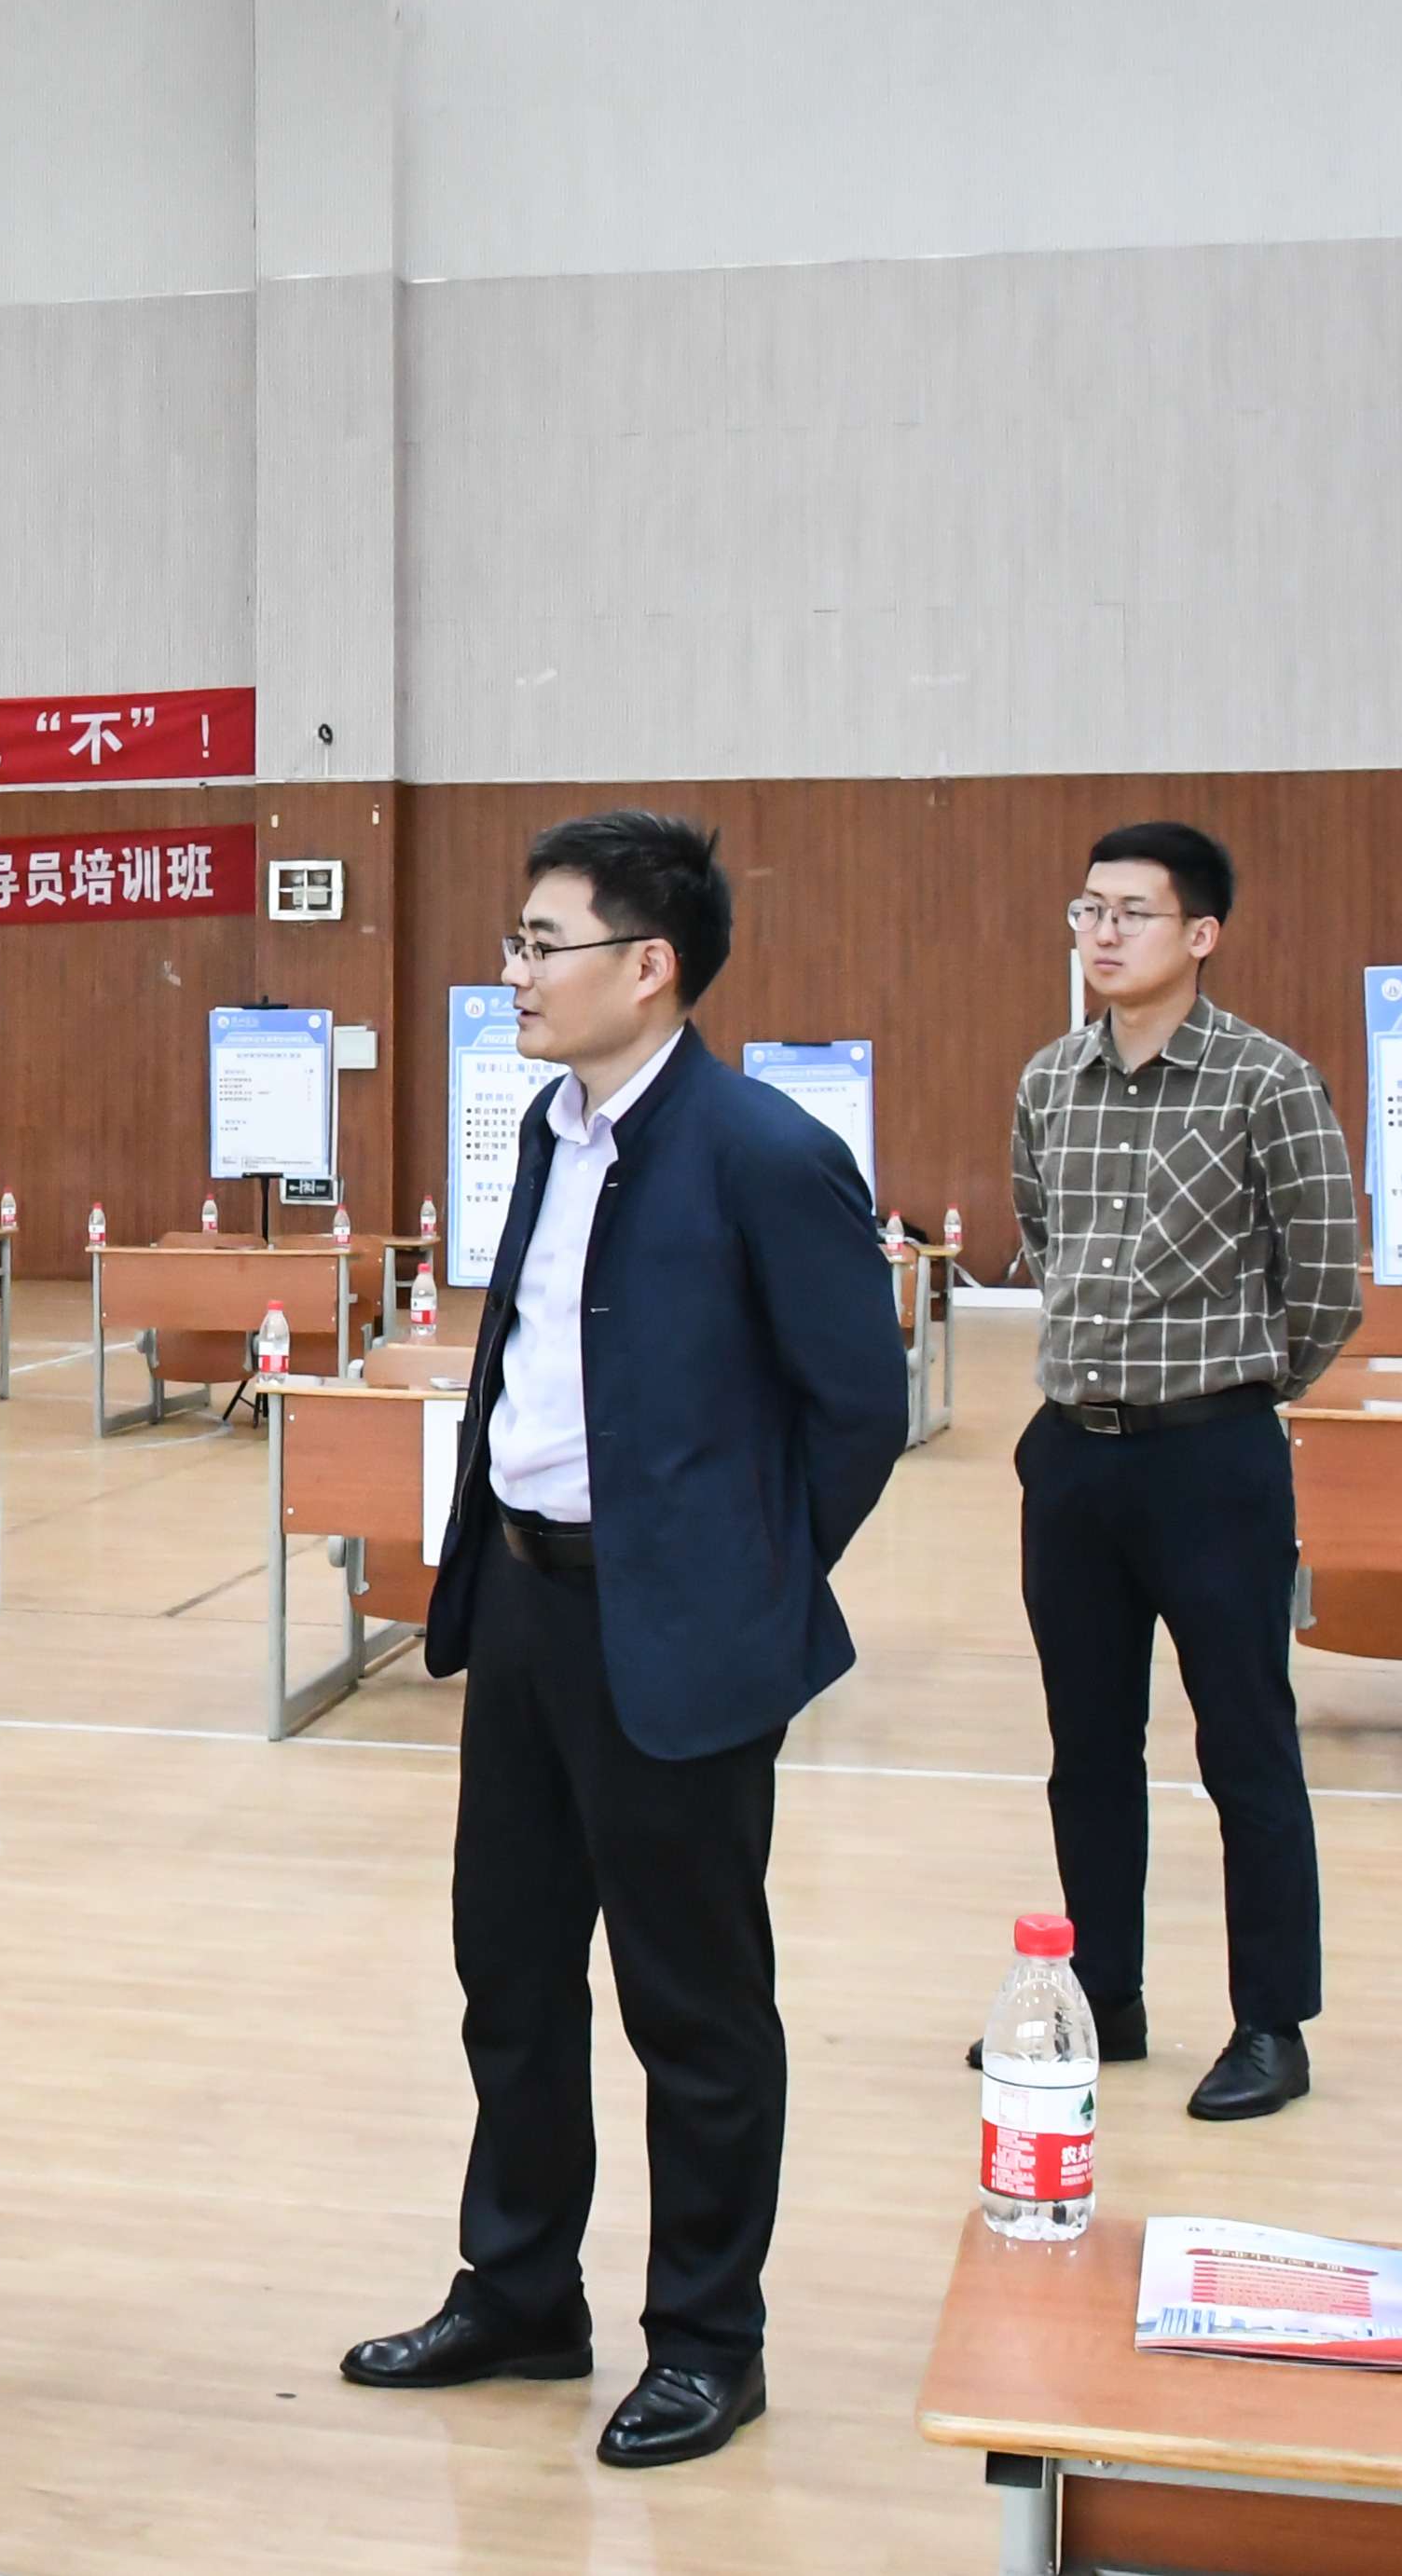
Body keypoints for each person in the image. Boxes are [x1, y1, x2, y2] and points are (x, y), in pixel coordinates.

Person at [344, 811, 908, 2473]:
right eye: (516, 941)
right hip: (526, 1606)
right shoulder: (552, 1129)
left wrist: (742, 1582)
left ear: (650, 965)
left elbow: (857, 1411)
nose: (514, 972)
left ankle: (708, 2338)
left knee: (694, 2004)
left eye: (544, 942)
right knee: (511, 1971)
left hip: (677, 1629)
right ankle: (521, 2291)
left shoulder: (763, 1151)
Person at [999, 819, 1361, 2124]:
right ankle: (1104, 1996)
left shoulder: (1267, 1082)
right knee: (1086, 1747)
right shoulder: (1051, 1080)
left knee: (1245, 1743)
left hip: (1213, 1456)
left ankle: (1271, 2022)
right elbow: (1043, 1235)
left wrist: (1238, 1393)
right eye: (1087, 909)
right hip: (1074, 1458)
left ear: (1201, 934)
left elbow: (1326, 1280)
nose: (1101, 934)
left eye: (1132, 913)